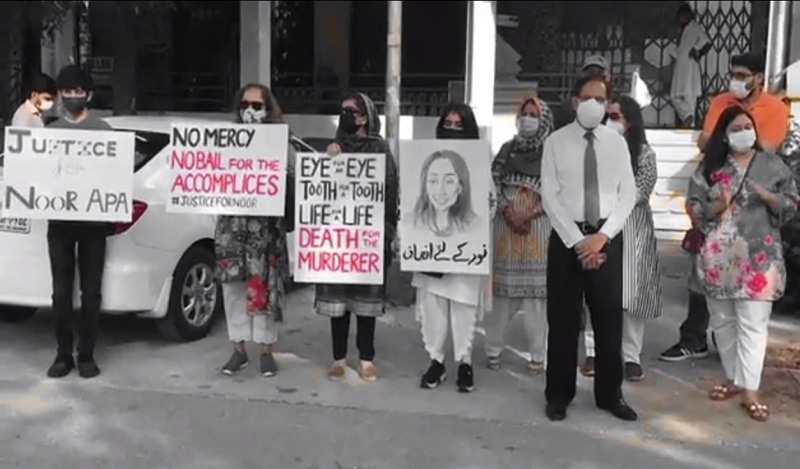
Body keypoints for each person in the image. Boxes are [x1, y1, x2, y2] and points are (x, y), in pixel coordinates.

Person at [660, 52, 790, 362]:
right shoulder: (721, 101)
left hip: (753, 205)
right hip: (715, 190)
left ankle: (732, 346)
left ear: (759, 78)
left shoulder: (774, 108)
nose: (737, 81)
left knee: (744, 276)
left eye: (743, 75)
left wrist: (730, 135)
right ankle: (693, 338)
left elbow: (766, 148)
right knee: (701, 269)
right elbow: (705, 141)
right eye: (734, 74)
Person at [687, 105, 798, 422]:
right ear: (724, 134)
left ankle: (751, 388)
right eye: (735, 128)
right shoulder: (710, 167)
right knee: (722, 321)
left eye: (747, 126)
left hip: (759, 258)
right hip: (719, 257)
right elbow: (693, 205)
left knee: (753, 324)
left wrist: (769, 197)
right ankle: (734, 378)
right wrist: (715, 206)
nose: (743, 133)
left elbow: (791, 203)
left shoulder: (772, 165)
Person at [540, 73, 638, 422]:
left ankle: (610, 395)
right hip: (568, 240)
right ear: (574, 101)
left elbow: (629, 194)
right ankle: (558, 394)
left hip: (606, 239)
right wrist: (578, 240)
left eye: (601, 99)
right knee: (564, 321)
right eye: (588, 98)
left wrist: (603, 237)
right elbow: (549, 196)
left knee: (609, 320)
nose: (594, 105)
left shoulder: (617, 143)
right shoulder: (555, 142)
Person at [216, 83, 295, 378]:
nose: (250, 111)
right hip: (232, 228)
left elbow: (292, 177)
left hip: (265, 229)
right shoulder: (224, 140)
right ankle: (238, 350)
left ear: (267, 109)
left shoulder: (280, 140)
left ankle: (266, 350)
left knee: (263, 288)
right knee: (233, 289)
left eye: (256, 106)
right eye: (245, 105)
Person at [320, 92, 399, 383]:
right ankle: (338, 359)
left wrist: (387, 231)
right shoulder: (334, 148)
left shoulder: (379, 149)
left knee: (366, 302)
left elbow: (390, 190)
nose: (345, 115)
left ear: (364, 116)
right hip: (338, 238)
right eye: (342, 110)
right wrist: (330, 162)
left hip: (369, 237)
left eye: (350, 111)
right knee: (338, 304)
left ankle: (366, 358)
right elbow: (320, 189)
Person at [45, 65, 114, 379]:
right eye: (67, 91)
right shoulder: (50, 132)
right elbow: (39, 175)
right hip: (59, 222)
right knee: (60, 293)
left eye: (78, 91)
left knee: (90, 292)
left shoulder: (103, 130)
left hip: (94, 224)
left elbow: (114, 177)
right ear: (60, 95)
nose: (73, 96)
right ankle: (62, 354)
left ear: (89, 94)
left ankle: (86, 355)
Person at [413, 102, 487, 393]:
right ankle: (436, 361)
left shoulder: (480, 163)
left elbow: (488, 201)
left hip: (466, 250)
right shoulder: (425, 158)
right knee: (433, 307)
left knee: (464, 307)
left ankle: (465, 362)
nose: (453, 129)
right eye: (449, 124)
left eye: (459, 125)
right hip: (430, 247)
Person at [483, 96, 553, 376]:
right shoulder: (506, 150)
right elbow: (493, 183)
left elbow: (558, 191)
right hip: (505, 229)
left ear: (544, 120)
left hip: (537, 229)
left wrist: (529, 214)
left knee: (537, 299)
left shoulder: (552, 153)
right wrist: (507, 210)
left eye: (534, 114)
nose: (528, 119)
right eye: (524, 113)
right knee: (501, 295)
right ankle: (493, 350)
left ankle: (537, 356)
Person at [606, 96, 663, 381]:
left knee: (631, 293)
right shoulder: (595, 149)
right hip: (599, 227)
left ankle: (630, 356)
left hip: (632, 227)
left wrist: (609, 201)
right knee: (599, 291)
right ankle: (596, 352)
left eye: (615, 117)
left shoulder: (644, 153)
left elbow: (641, 190)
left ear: (630, 121)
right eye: (608, 116)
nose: (609, 122)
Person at [669, 3, 711, 128]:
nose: (681, 18)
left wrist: (697, 51)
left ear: (688, 15)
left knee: (689, 95)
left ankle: (690, 124)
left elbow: (707, 42)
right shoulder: (683, 30)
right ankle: (687, 116)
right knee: (674, 96)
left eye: (682, 15)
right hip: (680, 67)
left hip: (690, 67)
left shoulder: (694, 27)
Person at [553, 55, 610, 131]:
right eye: (590, 72)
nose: (594, 75)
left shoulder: (614, 107)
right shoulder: (568, 107)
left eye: (598, 72)